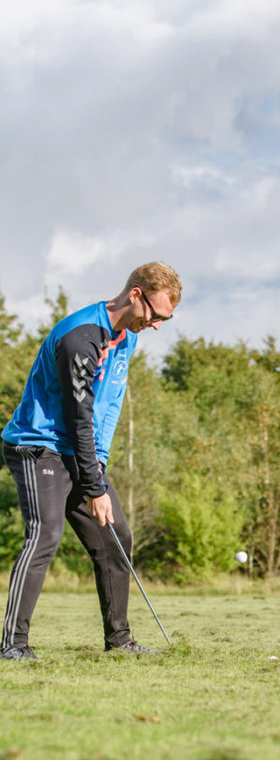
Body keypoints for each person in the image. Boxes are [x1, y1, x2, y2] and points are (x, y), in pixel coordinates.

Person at [0, 262, 182, 660]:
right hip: (38, 446)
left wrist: (97, 464)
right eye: (155, 315)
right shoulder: (80, 339)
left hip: (79, 451)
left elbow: (108, 406)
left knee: (117, 540)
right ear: (135, 294)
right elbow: (77, 414)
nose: (156, 326)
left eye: (164, 320)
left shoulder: (126, 338)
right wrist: (94, 487)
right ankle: (13, 645)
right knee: (45, 536)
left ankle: (120, 641)